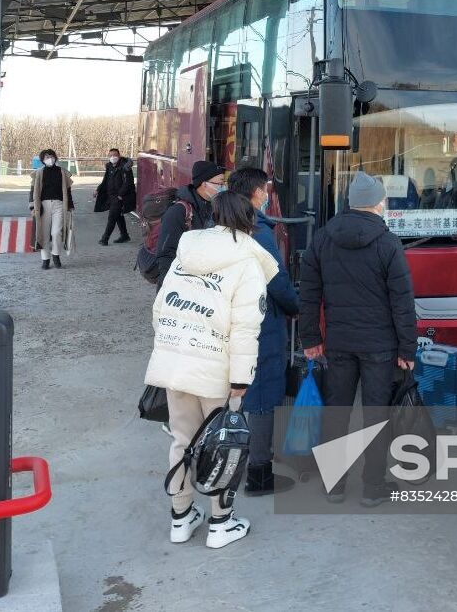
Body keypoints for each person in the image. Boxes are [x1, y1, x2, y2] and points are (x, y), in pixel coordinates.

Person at [144, 191, 279, 549]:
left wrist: (175, 348)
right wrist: (241, 379)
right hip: (217, 371)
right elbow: (246, 328)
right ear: (248, 218)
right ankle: (221, 522)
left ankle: (181, 518)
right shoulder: (248, 261)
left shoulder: (186, 253)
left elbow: (160, 309)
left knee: (181, 440)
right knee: (225, 444)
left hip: (175, 363)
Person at [298, 171, 417, 507]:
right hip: (380, 346)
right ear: (379, 203)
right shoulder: (388, 242)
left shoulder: (322, 238)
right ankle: (372, 486)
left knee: (337, 412)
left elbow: (309, 293)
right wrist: (408, 348)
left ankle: (334, 485)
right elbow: (402, 302)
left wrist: (310, 338)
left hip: (338, 343)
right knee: (375, 414)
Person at [226, 167, 300, 496]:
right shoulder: (260, 232)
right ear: (257, 193)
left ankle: (233, 461)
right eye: (265, 189)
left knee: (240, 392)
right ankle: (258, 474)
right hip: (262, 323)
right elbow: (277, 282)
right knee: (262, 396)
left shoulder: (221, 225)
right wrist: (296, 306)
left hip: (229, 321)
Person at [155, 160, 225, 288]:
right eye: (220, 184)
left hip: (199, 280)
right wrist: (170, 287)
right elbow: (165, 253)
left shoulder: (213, 206)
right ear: (204, 184)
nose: (223, 187)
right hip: (178, 283)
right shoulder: (179, 211)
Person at [29, 148, 74, 270]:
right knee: (43, 233)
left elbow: (68, 190)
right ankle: (45, 259)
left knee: (56, 232)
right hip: (43, 205)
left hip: (59, 205)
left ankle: (56, 255)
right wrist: (32, 207)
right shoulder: (38, 173)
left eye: (52, 156)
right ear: (42, 160)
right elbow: (33, 191)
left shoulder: (62, 172)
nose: (50, 159)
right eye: (47, 157)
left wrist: (70, 206)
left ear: (55, 157)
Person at [94, 148, 135, 245]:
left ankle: (105, 239)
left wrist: (120, 195)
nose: (113, 157)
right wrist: (98, 189)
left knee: (112, 216)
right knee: (118, 216)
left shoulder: (125, 167)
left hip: (120, 197)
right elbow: (105, 180)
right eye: (110, 155)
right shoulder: (109, 166)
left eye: (115, 155)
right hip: (111, 196)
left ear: (119, 156)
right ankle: (124, 235)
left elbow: (128, 183)